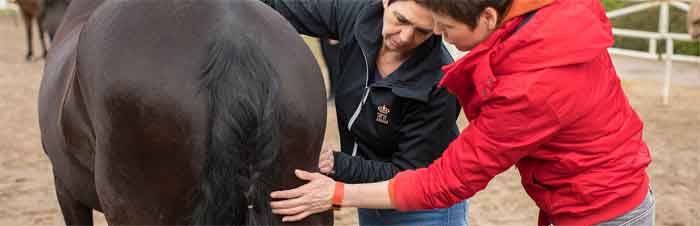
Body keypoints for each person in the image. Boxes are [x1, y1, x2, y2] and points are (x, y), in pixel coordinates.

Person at [268, 0, 656, 225]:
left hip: (599, 211)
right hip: (576, 196)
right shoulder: (535, 23)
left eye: (443, 27)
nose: (439, 35)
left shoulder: (529, 87)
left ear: (487, 17)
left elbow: (445, 181)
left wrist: (336, 189)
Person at [260, 0, 469, 225]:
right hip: (366, 195)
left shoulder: (440, 83)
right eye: (401, 20)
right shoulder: (358, 15)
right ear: (386, 2)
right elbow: (280, 5)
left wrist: (338, 164)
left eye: (422, 31)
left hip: (422, 209)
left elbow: (411, 174)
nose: (406, 36)